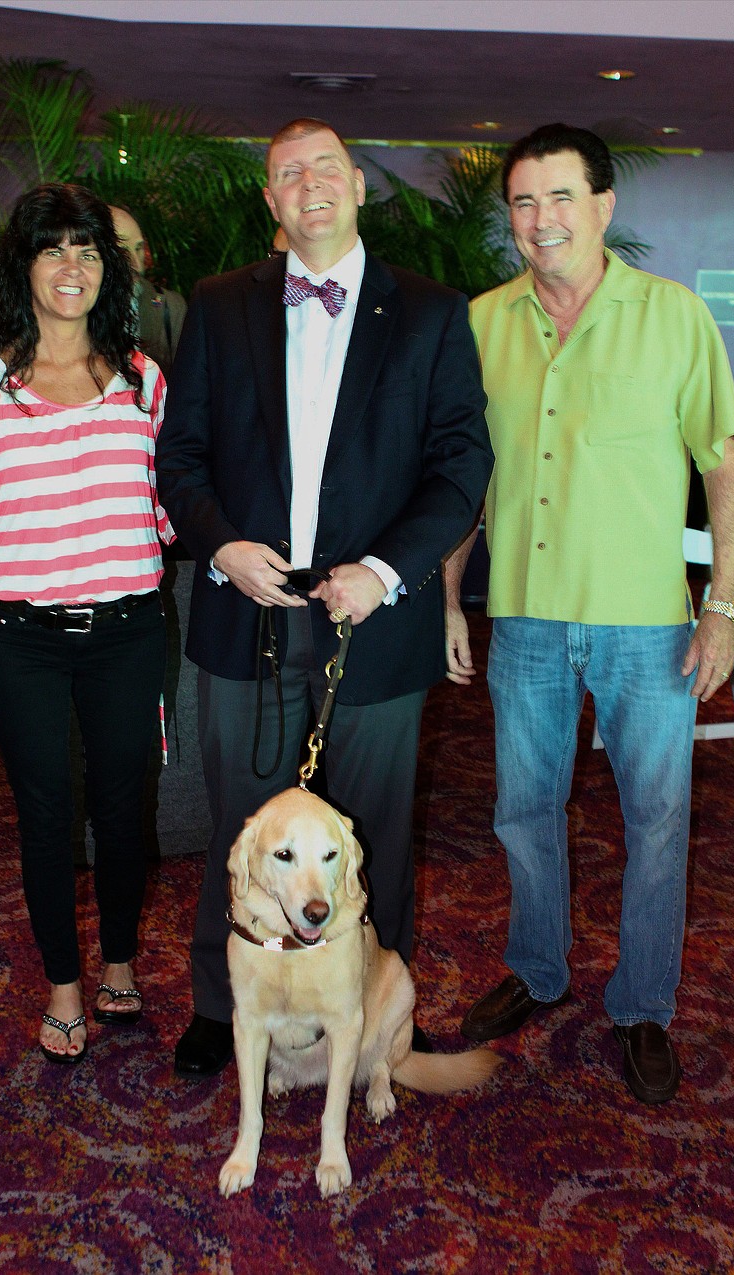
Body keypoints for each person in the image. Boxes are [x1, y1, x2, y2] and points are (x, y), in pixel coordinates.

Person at [156, 116, 492, 1078]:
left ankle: (371, 1001)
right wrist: (221, 543)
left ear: (357, 186)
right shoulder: (219, 306)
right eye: (288, 172)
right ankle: (223, 1009)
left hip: (372, 626)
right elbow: (178, 459)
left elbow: (462, 466)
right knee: (240, 827)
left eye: (327, 168)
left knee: (373, 832)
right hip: (246, 612)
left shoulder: (429, 313)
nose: (309, 184)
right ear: (270, 201)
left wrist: (384, 573)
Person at [447, 123, 734, 1104]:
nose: (542, 220)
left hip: (646, 626)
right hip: (526, 619)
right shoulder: (483, 323)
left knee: (656, 819)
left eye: (561, 197)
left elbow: (724, 462)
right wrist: (451, 591)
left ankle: (643, 1004)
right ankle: (538, 968)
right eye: (524, 203)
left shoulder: (672, 318)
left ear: (604, 206)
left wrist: (723, 606)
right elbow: (465, 474)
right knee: (521, 810)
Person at [0, 184, 173, 1064]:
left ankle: (118, 964)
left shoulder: (143, 379)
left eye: (88, 249)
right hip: (16, 636)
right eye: (53, 248)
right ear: (24, 265)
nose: (71, 265)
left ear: (108, 269)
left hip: (125, 628)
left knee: (122, 804)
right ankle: (63, 986)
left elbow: (167, 502)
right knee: (45, 814)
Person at [109, 206, 186, 378]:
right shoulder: (76, 309)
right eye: (123, 251)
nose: (136, 263)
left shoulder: (170, 305)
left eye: (138, 248)